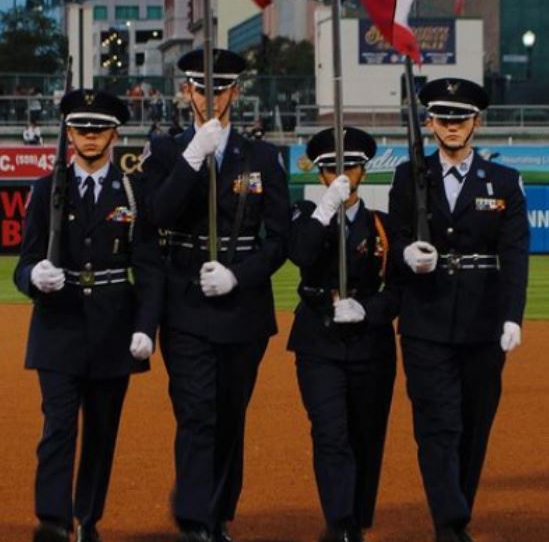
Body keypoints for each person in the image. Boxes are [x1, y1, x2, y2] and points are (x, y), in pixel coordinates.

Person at [141, 47, 290, 542]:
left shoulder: (263, 156)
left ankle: (220, 514)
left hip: (242, 305)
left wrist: (239, 276)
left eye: (220, 89)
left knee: (229, 415)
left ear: (235, 92)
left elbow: (280, 240)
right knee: (196, 411)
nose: (210, 97)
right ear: (187, 92)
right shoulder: (164, 151)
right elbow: (157, 215)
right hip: (184, 301)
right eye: (201, 88)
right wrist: (192, 157)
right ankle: (195, 521)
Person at [14, 89, 165, 542]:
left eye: (99, 129)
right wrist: (33, 276)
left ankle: (87, 519)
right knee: (58, 426)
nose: (90, 137)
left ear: (115, 133)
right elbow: (25, 261)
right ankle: (53, 521)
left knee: (101, 433)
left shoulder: (134, 191)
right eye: (81, 129)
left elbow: (150, 267)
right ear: (69, 132)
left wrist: (145, 327)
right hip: (58, 325)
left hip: (112, 326)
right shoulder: (46, 189)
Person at [388, 78, 530, 542]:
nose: (451, 126)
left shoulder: (503, 182)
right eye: (443, 117)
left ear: (476, 122)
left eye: (460, 118)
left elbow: (515, 252)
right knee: (436, 424)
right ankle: (450, 523)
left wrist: (513, 315)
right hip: (426, 319)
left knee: (473, 425)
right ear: (428, 122)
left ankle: (455, 512)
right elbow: (398, 235)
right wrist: (408, 254)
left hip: (483, 320)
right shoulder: (410, 176)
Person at [288, 127, 399, 542]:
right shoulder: (303, 214)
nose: (341, 174)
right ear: (319, 175)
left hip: (371, 343)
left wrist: (369, 310)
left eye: (349, 167)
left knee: (367, 436)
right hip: (319, 340)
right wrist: (325, 210)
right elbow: (299, 254)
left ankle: (357, 519)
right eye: (331, 168)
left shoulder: (383, 225)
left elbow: (401, 290)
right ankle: (340, 524)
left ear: (363, 173)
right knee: (330, 432)